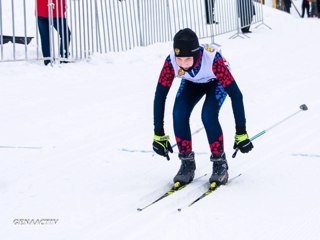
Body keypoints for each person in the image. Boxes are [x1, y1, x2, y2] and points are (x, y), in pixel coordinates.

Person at [152, 28, 253, 186]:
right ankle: (187, 162)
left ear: (197, 54)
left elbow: (236, 95)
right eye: (180, 59)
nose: (183, 65)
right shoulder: (171, 61)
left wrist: (241, 132)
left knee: (208, 115)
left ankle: (220, 163)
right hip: (192, 83)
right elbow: (160, 95)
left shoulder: (213, 59)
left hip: (216, 81)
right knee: (179, 113)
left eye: (187, 60)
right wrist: (158, 133)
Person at [36, 0, 71, 65]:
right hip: (55, 11)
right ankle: (63, 57)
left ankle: (47, 60)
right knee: (65, 34)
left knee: (45, 38)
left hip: (41, 11)